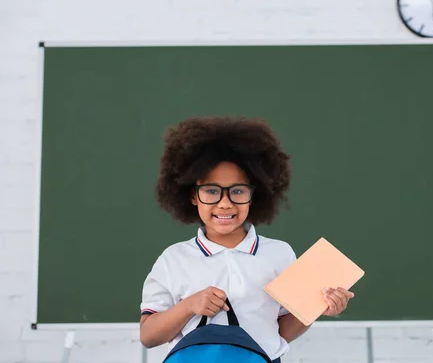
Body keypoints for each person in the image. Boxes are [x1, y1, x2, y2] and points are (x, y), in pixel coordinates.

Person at [139, 116, 354, 362]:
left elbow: (281, 332)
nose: (225, 203)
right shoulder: (174, 259)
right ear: (192, 196)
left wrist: (317, 307)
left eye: (238, 191)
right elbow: (149, 336)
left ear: (254, 195)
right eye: (211, 191)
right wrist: (188, 306)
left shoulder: (279, 254)